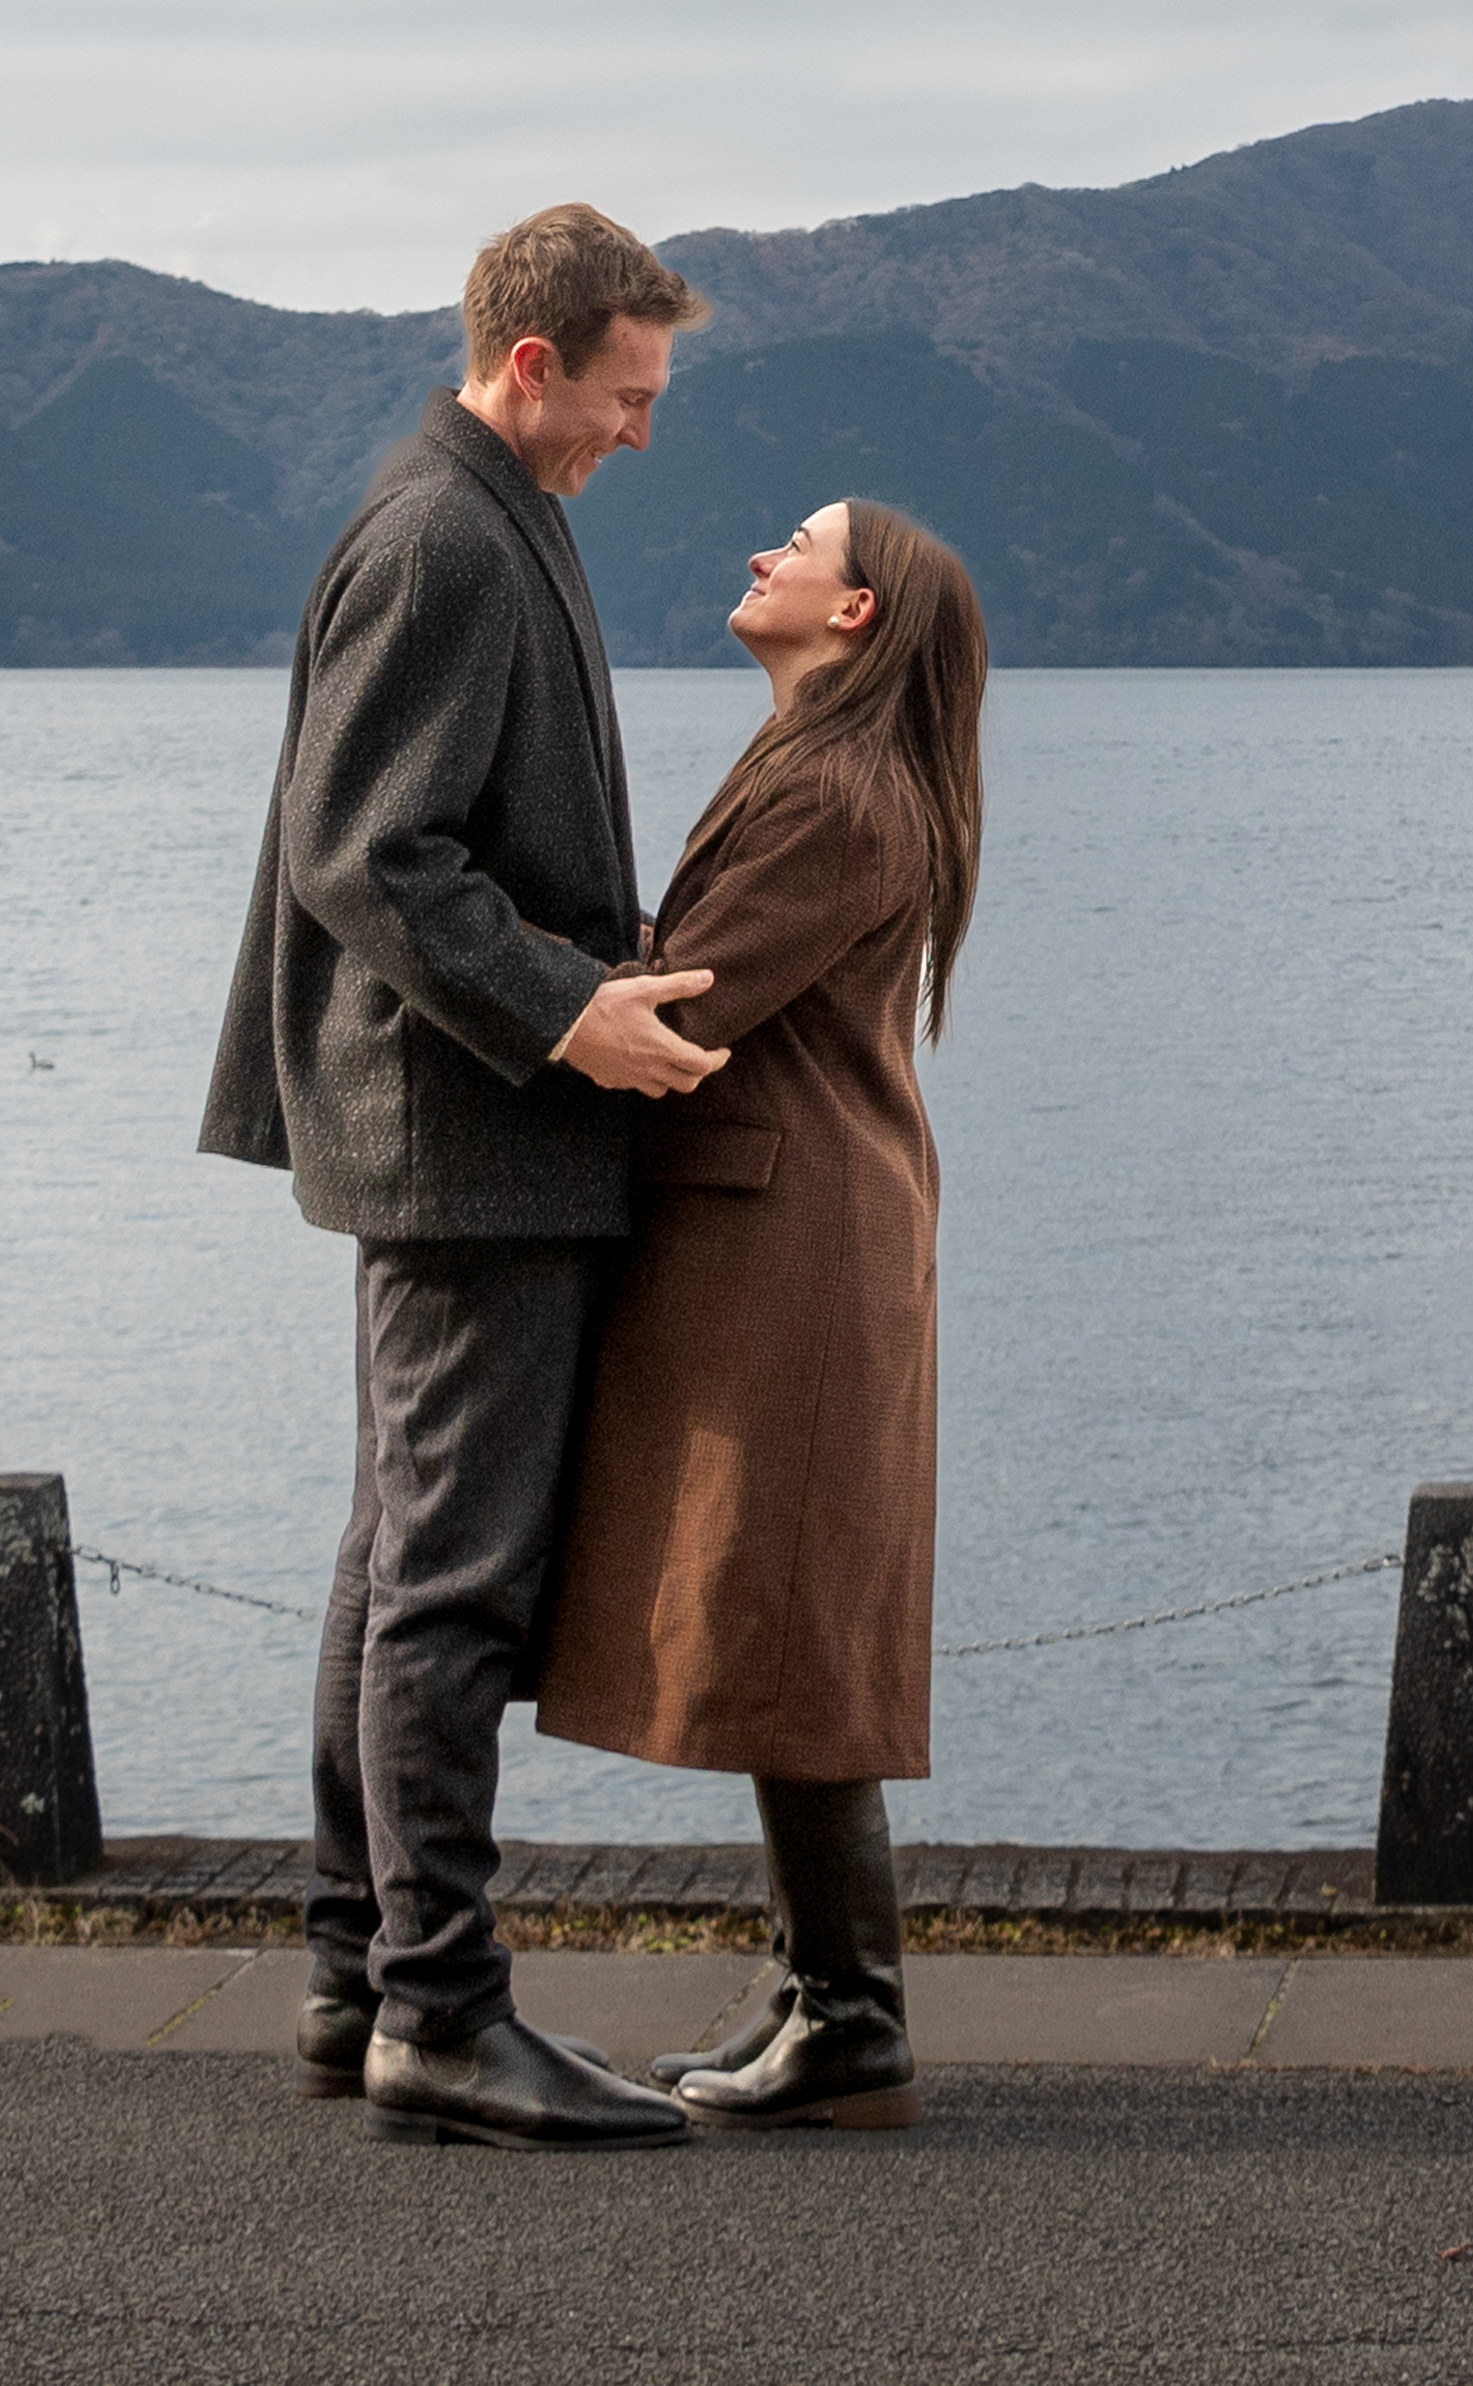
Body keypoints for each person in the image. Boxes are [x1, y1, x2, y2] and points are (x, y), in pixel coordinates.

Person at [201, 202, 728, 2154]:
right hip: (470, 1137)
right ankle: (437, 2013)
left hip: (456, 1128)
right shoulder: (443, 533)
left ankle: (361, 1978)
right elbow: (369, 850)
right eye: (627, 393)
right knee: (448, 1584)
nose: (641, 431)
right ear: (532, 363)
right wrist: (570, 1010)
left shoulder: (478, 509)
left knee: (394, 1560)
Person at [535, 492, 990, 2133]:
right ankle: (818, 1996)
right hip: (784, 1232)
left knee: (801, 1623)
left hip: (796, 1245)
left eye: (797, 548)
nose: (759, 558)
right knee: (794, 1616)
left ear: (856, 612)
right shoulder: (823, 766)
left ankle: (852, 2020)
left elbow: (687, 1004)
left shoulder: (842, 793)